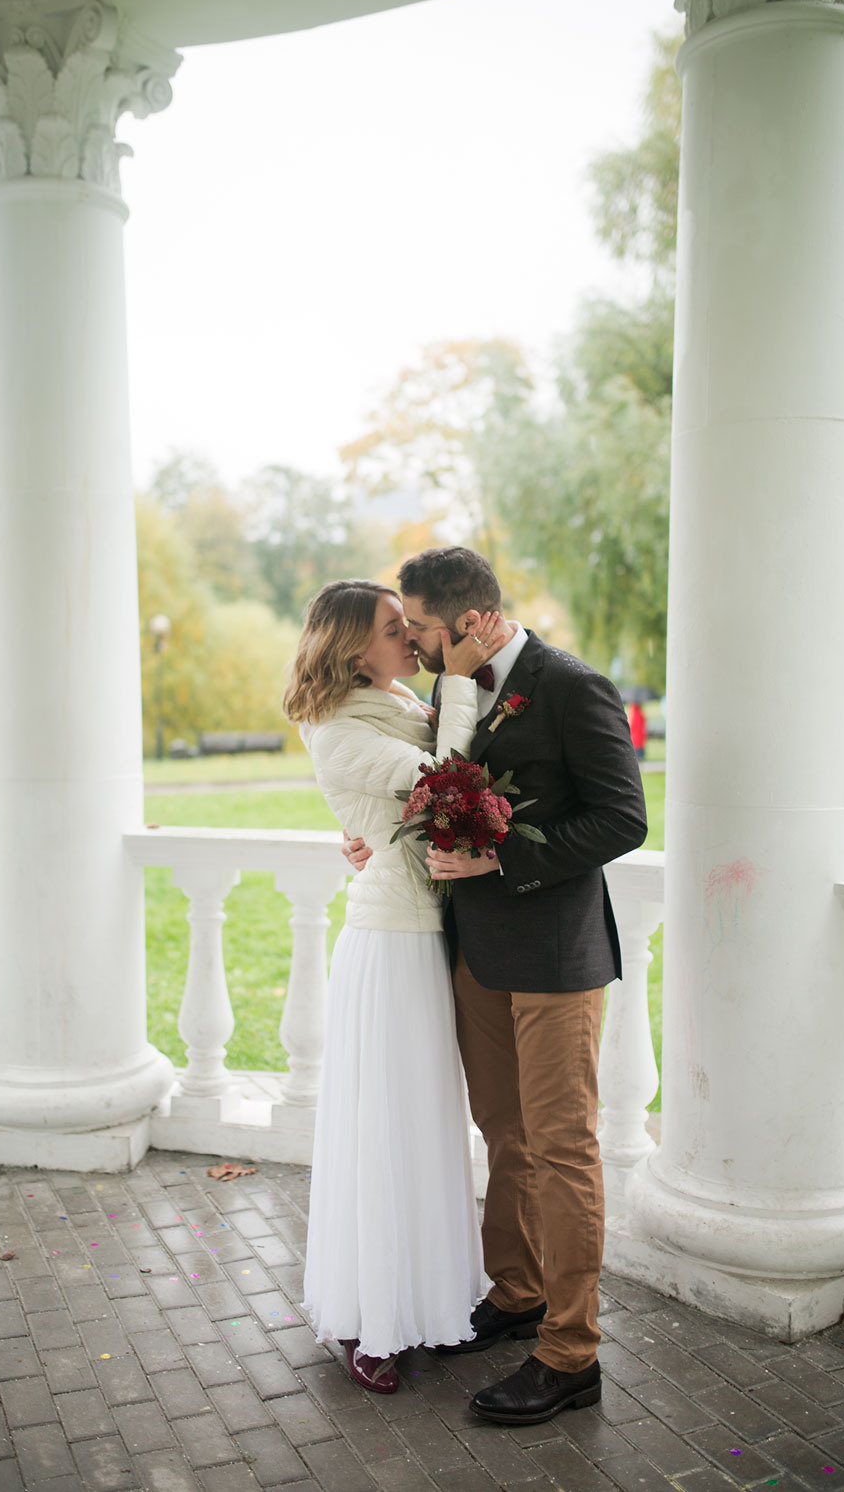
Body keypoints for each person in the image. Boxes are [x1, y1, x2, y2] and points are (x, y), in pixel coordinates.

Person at [343, 547, 648, 1426]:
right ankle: (515, 1297)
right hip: (475, 955)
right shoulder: (451, 693)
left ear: (470, 623)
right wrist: (377, 837)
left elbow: (622, 817)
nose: (418, 645)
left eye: (424, 631)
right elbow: (438, 788)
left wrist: (500, 854)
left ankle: (570, 1352)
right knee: (505, 1135)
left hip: (555, 957)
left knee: (560, 1148)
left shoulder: (573, 685)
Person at [282, 578, 510, 1395]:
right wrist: (457, 680)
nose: (409, 636)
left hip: (427, 932)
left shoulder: (395, 695)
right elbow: (446, 778)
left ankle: (426, 1301)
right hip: (389, 942)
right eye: (391, 628)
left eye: (407, 625)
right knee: (383, 1127)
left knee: (423, 1125)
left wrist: (439, 684)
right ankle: (368, 1321)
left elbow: (406, 807)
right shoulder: (337, 725)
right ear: (351, 646)